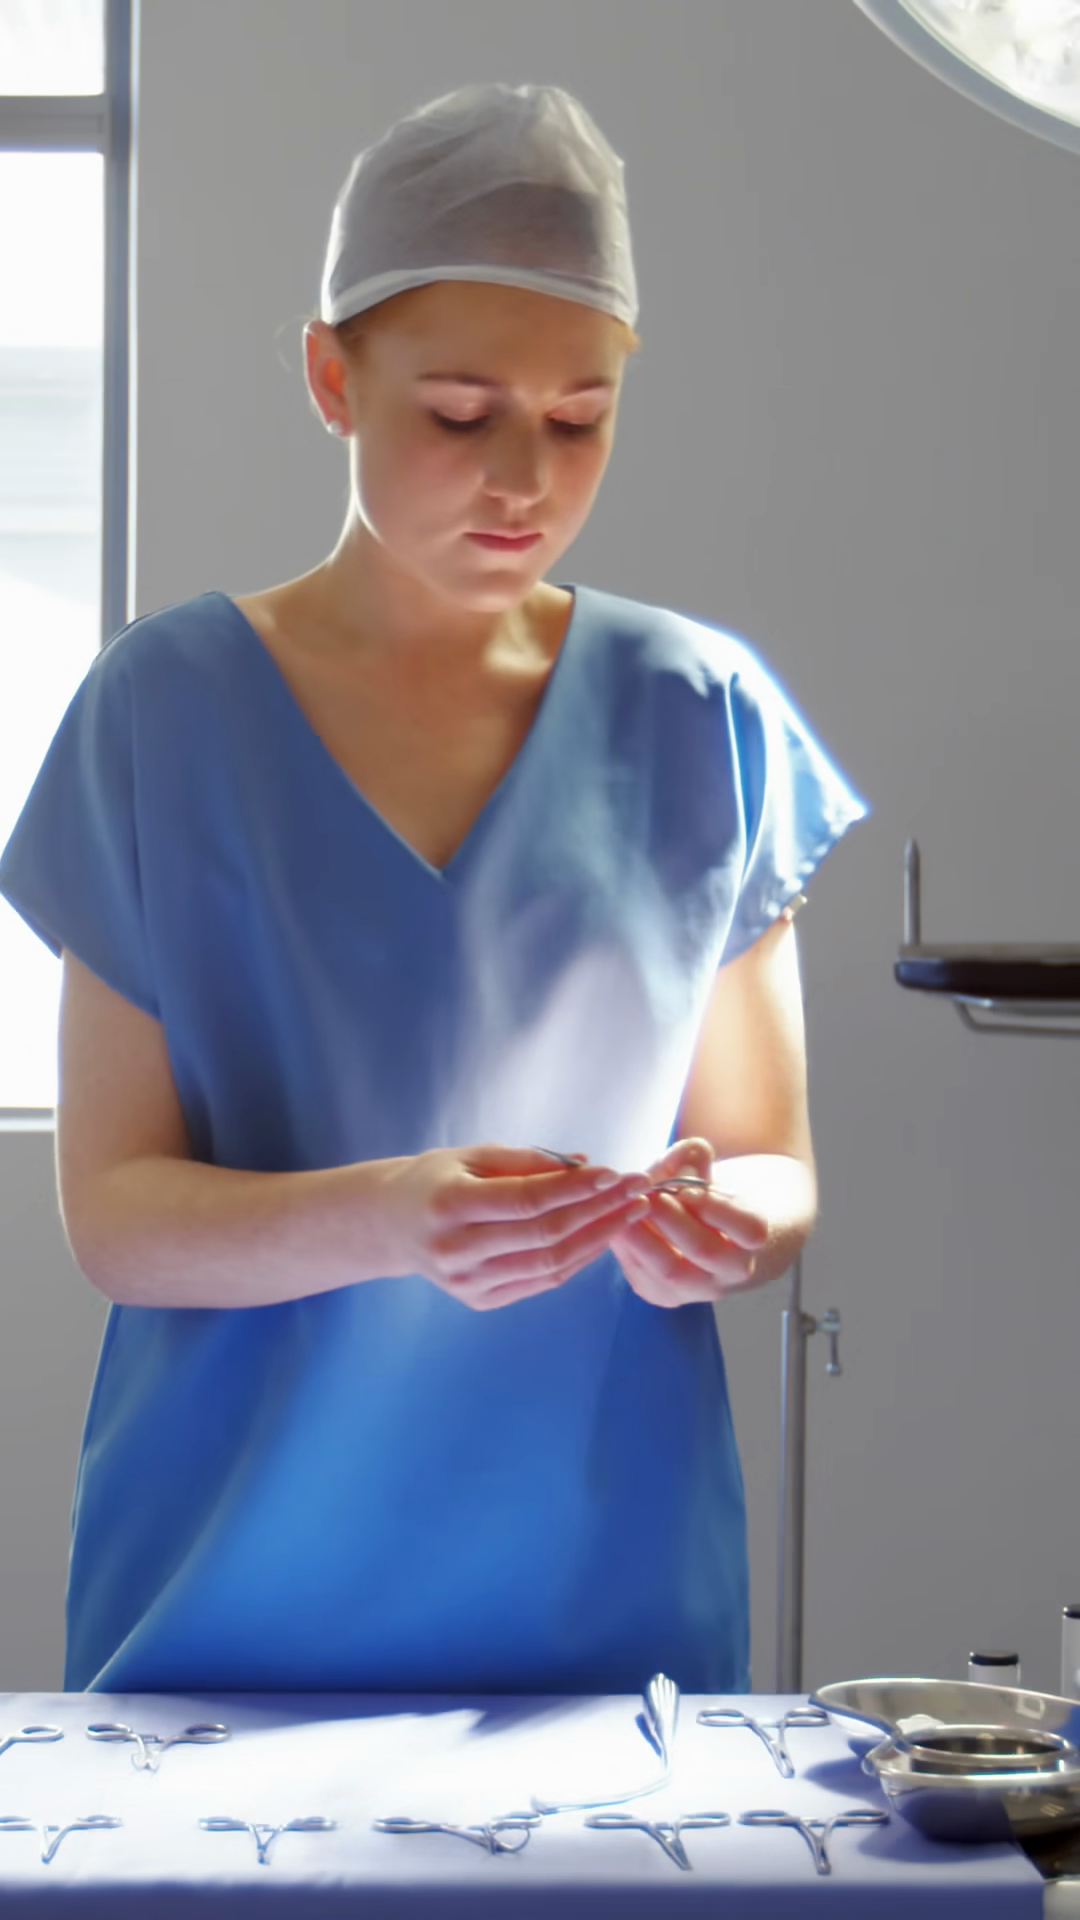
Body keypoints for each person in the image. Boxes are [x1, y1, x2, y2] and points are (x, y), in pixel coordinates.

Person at [0, 82, 869, 1696]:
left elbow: (771, 1165)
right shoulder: (162, 715)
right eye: (462, 416)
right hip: (222, 1610)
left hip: (601, 1619)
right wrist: (390, 1217)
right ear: (333, 378)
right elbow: (116, 1217)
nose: (525, 476)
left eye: (581, 418)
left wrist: (720, 1227)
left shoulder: (703, 720)